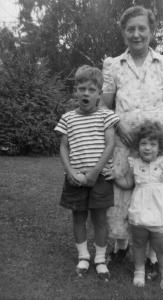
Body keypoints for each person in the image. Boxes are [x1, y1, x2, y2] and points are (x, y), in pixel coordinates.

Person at [101, 5, 163, 273]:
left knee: (155, 195)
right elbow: (105, 106)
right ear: (124, 33)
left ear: (151, 30)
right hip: (124, 145)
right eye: (130, 29)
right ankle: (121, 247)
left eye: (141, 28)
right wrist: (115, 124)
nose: (136, 34)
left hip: (157, 147)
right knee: (122, 196)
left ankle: (153, 255)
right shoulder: (113, 65)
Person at [105, 120, 163, 297]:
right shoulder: (135, 164)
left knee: (162, 247)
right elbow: (128, 183)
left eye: (153, 144)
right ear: (138, 145)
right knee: (138, 244)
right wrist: (115, 176)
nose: (147, 148)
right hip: (139, 212)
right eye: (143, 143)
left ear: (160, 146)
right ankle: (139, 271)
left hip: (161, 214)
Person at [54, 65, 120, 281]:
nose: (86, 93)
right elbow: (63, 147)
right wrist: (70, 171)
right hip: (75, 178)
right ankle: (83, 256)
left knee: (100, 220)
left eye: (91, 90)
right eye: (82, 88)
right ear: (75, 91)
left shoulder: (107, 116)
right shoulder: (67, 118)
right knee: (78, 218)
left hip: (99, 178)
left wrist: (94, 172)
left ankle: (100, 259)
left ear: (99, 94)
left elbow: (110, 145)